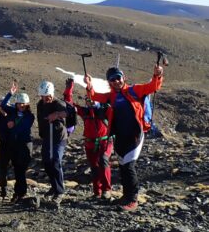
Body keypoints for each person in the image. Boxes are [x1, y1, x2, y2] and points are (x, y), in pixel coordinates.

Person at [84, 63, 164, 211]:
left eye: (118, 78)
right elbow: (94, 96)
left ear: (123, 77)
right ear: (109, 82)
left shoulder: (135, 90)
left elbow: (153, 86)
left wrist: (157, 74)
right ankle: (126, 196)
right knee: (123, 167)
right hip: (120, 137)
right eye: (112, 79)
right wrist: (89, 85)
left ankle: (133, 200)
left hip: (135, 135)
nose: (116, 81)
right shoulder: (111, 96)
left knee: (129, 166)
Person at [74, 96, 113, 199]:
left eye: (92, 99)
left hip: (105, 141)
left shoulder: (105, 109)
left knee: (103, 160)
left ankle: (106, 190)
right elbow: (70, 104)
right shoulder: (85, 112)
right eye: (87, 100)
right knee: (94, 167)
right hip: (90, 143)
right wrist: (69, 89)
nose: (90, 102)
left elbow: (114, 109)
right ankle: (97, 192)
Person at [36, 80, 69, 204]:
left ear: (52, 93)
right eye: (43, 96)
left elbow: (66, 113)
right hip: (47, 137)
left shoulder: (58, 103)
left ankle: (59, 191)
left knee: (55, 160)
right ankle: (54, 186)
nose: (45, 99)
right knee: (46, 162)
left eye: (47, 96)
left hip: (59, 137)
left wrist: (56, 114)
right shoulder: (40, 104)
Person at [3, 91, 35, 203]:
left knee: (21, 170)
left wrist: (12, 124)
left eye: (23, 103)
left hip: (25, 145)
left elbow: (24, 127)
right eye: (19, 103)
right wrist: (9, 94)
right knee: (17, 170)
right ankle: (19, 193)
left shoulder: (30, 116)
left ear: (27, 104)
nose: (21, 105)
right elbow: (3, 105)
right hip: (14, 145)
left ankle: (20, 193)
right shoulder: (12, 111)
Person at [0, 81, 18, 198]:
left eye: (2, 105)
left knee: (17, 169)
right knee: (2, 169)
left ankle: (17, 192)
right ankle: (3, 191)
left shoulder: (13, 114)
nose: (0, 107)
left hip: (14, 146)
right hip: (3, 146)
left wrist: (10, 94)